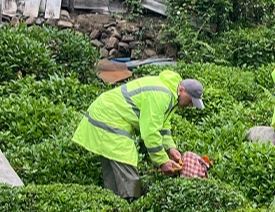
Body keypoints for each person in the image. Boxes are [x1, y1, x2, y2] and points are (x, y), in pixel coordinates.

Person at [72, 69, 203, 200]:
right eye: (191, 100)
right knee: (126, 164)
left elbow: (163, 126)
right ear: (181, 89)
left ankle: (112, 205)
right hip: (108, 118)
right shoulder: (161, 95)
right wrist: (162, 161)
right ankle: (130, 207)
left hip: (105, 115)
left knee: (113, 174)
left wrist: (170, 148)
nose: (191, 105)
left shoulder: (171, 96)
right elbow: (150, 133)